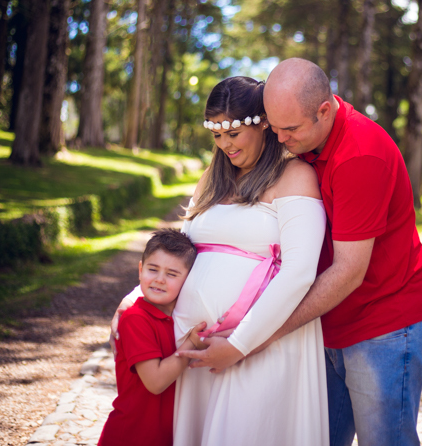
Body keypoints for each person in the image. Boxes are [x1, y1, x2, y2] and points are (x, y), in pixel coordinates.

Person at [182, 58, 422, 446]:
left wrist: (253, 338)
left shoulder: (360, 155)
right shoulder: (303, 141)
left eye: (289, 129)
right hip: (328, 324)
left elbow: (349, 272)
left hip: (385, 325)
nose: (280, 138)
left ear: (324, 110)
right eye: (272, 126)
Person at [114, 76, 329, 446]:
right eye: (216, 135)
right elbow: (179, 254)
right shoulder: (210, 181)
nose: (225, 145)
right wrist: (136, 297)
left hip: (261, 346)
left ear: (262, 123)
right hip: (197, 349)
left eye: (232, 132)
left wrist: (240, 344)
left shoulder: (295, 177)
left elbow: (299, 272)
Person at [99, 229, 203, 446]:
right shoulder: (135, 319)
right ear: (140, 269)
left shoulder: (176, 319)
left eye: (172, 274)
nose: (159, 280)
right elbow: (155, 382)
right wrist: (192, 343)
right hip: (131, 435)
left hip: (163, 436)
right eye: (153, 269)